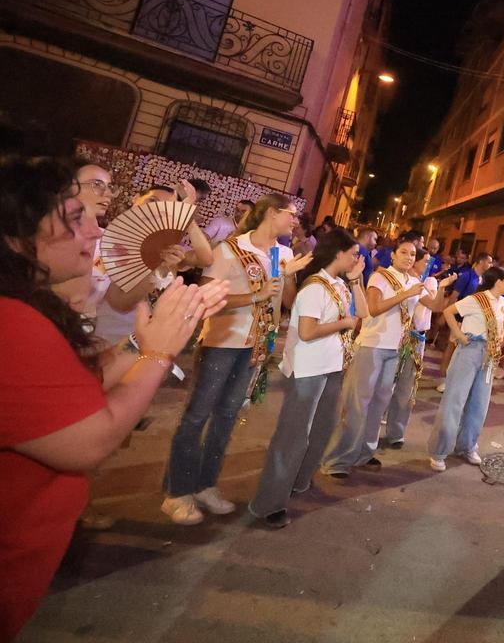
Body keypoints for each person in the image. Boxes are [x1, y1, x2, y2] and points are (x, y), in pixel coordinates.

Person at [0, 156, 227, 640]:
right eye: (74, 220)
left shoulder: (29, 309)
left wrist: (151, 344)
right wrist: (160, 353)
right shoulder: (12, 323)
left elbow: (80, 377)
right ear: (18, 239)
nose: (96, 233)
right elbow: (91, 438)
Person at [161, 194, 311, 525]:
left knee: (227, 416)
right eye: (291, 214)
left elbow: (286, 302)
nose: (295, 221)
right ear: (271, 213)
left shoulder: (283, 253)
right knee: (196, 416)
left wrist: (286, 276)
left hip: (255, 346)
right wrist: (254, 295)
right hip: (222, 342)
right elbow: (207, 296)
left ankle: (205, 484)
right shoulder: (228, 249)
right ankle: (176, 491)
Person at [249, 230, 366, 528]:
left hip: (332, 366)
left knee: (321, 430)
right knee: (292, 436)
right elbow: (308, 332)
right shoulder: (315, 288)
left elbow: (364, 312)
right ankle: (268, 503)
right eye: (353, 253)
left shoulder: (339, 284)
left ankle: (298, 482)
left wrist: (356, 280)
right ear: (338, 253)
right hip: (308, 369)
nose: (357, 259)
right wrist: (342, 323)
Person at [322, 240, 426, 477]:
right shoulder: (381, 277)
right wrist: (405, 295)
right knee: (357, 404)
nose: (409, 257)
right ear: (393, 256)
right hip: (371, 346)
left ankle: (364, 453)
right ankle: (336, 460)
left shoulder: (412, 281)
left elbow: (433, 306)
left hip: (394, 350)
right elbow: (373, 308)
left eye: (413, 254)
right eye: (404, 253)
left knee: (379, 405)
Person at [92, 182, 215, 346]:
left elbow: (205, 258)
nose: (156, 211)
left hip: (149, 343)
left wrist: (187, 218)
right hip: (107, 338)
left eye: (165, 209)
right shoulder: (102, 240)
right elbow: (121, 302)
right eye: (152, 202)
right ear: (136, 198)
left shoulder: (166, 251)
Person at [428, 265, 504, 472]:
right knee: (454, 401)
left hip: (489, 354)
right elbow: (448, 312)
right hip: (469, 351)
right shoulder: (477, 299)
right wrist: (458, 334)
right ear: (498, 281)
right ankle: (439, 452)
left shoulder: (502, 301)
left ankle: (467, 446)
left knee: (479, 403)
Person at [384, 248, 455, 448]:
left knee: (407, 388)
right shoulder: (393, 279)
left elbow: (435, 306)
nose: (427, 264)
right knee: (386, 384)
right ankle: (373, 426)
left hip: (416, 340)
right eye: (424, 260)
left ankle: (396, 432)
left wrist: (441, 288)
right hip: (396, 338)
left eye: (418, 257)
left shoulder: (421, 283)